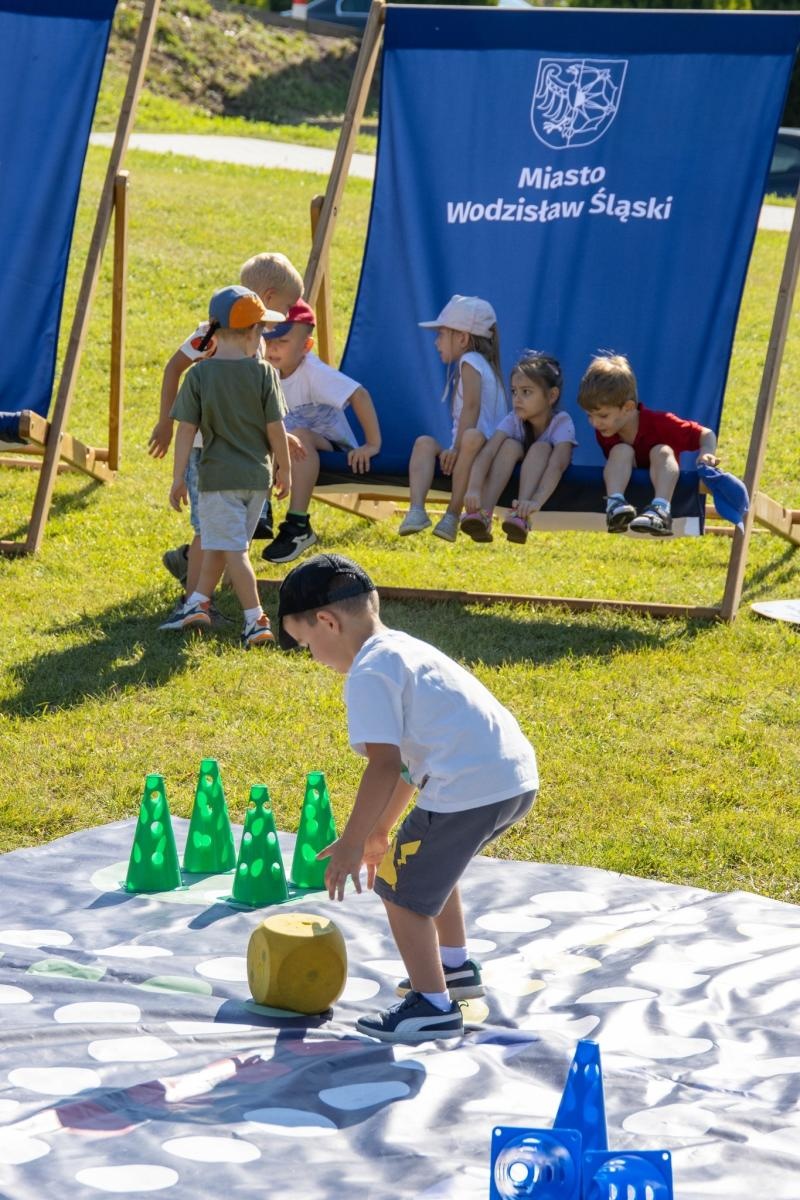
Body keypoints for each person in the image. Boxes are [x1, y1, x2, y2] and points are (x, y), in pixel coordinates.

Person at [276, 553, 538, 1043]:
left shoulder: (369, 673)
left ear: (328, 622)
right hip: (510, 778)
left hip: (470, 786)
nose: (312, 657)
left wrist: (353, 842)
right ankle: (452, 967)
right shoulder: (402, 650)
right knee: (430, 870)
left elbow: (381, 764)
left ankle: (432, 1005)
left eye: (307, 644)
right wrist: (379, 830)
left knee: (399, 887)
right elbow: (405, 767)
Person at [150, 253, 303, 617]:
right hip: (210, 450)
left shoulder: (256, 339)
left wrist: (281, 439)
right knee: (210, 531)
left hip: (244, 451)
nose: (286, 315)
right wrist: (165, 422)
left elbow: (256, 404)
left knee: (222, 531)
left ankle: (198, 592)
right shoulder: (211, 333)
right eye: (285, 305)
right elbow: (175, 369)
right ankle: (192, 605)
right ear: (266, 296)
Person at [167, 285, 291, 648]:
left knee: (234, 550)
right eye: (263, 330)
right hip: (258, 481)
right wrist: (284, 468)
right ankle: (198, 604)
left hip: (217, 478)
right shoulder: (266, 374)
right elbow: (276, 428)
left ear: (212, 333)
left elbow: (186, 431)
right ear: (253, 334)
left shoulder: (199, 377)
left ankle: (255, 619)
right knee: (224, 544)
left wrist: (178, 478)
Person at [261, 300, 382, 564]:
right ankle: (260, 510)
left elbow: (359, 395)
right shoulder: (264, 371)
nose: (272, 348)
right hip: (286, 444)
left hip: (330, 446)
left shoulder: (313, 373)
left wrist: (371, 444)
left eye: (281, 341)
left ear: (306, 347)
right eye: (267, 340)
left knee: (300, 435)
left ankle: (298, 526)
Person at [399, 295, 507, 543]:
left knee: (471, 437)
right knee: (424, 443)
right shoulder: (484, 365)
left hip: (480, 454)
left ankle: (452, 514)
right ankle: (416, 510)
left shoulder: (470, 361)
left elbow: (472, 406)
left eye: (441, 335)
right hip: (463, 450)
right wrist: (452, 449)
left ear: (462, 338)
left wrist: (456, 448)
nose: (437, 343)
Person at [577, 353, 719, 535]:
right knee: (621, 450)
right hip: (627, 483)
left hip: (662, 480)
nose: (595, 423)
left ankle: (661, 510)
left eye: (602, 416)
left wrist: (707, 452)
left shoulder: (660, 423)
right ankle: (615, 505)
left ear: (628, 408)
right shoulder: (606, 430)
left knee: (662, 451)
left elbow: (705, 434)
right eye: (590, 415)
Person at [461, 352, 575, 545]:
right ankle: (484, 513)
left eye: (526, 392)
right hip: (513, 464)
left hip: (542, 482)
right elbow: (488, 452)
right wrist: (473, 489)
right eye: (514, 391)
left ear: (552, 396)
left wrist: (536, 501)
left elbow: (558, 465)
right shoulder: (514, 419)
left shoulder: (561, 423)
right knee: (509, 445)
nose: (517, 399)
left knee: (541, 448)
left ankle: (520, 515)